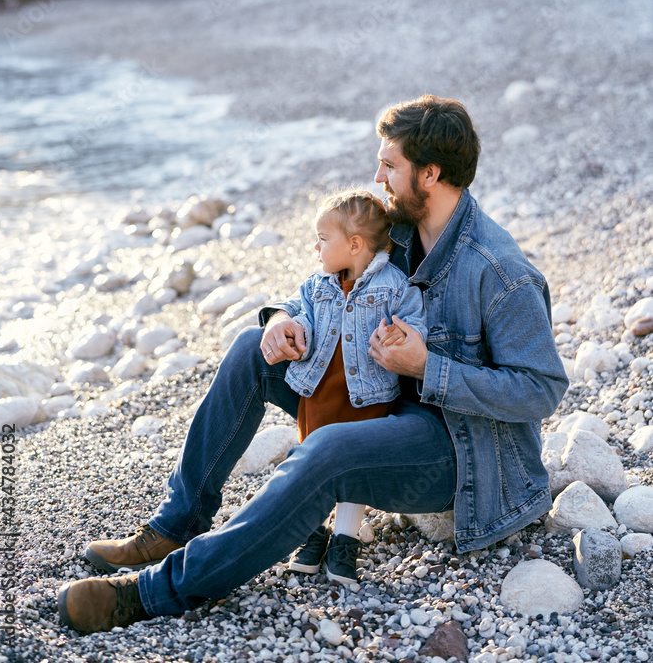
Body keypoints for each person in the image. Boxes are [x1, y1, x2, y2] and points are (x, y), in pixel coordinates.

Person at [58, 94, 569, 634]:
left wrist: (426, 367)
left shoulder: (500, 271)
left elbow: (541, 389)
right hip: (377, 396)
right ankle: (175, 524)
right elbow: (322, 288)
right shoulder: (391, 231)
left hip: (455, 449)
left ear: (431, 174)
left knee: (328, 450)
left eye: (390, 165)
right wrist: (283, 318)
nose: (378, 176)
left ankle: (156, 592)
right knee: (248, 348)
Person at [282, 187, 427, 584]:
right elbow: (300, 312)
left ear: (355, 244)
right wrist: (293, 327)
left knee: (354, 470)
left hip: (367, 394)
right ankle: (312, 533)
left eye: (323, 240)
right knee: (311, 456)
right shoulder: (318, 283)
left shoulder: (393, 284)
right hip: (320, 390)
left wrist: (405, 336)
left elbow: (414, 320)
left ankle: (345, 542)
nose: (316, 247)